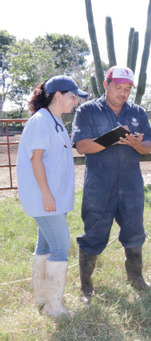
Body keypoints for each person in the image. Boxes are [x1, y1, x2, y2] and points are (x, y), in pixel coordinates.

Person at [71, 66, 151, 301]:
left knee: (134, 232)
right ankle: (86, 285)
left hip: (131, 184)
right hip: (99, 185)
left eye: (127, 89)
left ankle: (136, 278)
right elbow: (82, 146)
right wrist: (114, 137)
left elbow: (148, 146)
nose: (123, 93)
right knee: (94, 233)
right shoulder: (87, 111)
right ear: (106, 85)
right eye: (118, 87)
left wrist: (136, 144)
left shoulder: (138, 111)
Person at [17, 76, 88, 318]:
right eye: (73, 96)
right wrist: (47, 194)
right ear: (58, 95)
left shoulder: (54, 120)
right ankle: (53, 307)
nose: (76, 101)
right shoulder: (40, 122)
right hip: (45, 197)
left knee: (45, 245)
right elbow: (35, 160)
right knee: (61, 245)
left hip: (53, 196)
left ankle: (42, 297)